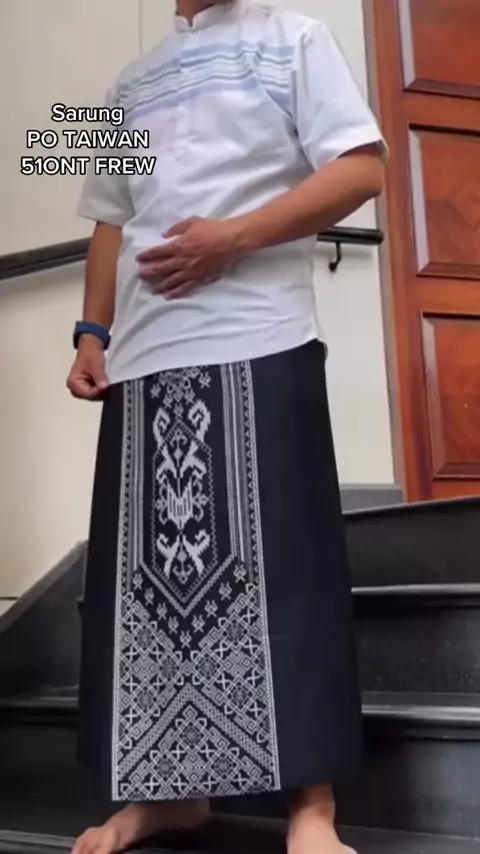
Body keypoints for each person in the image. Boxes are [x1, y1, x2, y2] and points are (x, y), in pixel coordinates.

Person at [67, 2, 386, 853]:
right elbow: (110, 219)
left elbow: (361, 169)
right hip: (144, 358)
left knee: (288, 575)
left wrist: (232, 239)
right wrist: (92, 333)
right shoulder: (126, 85)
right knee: (149, 591)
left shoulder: (295, 39)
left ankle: (312, 809)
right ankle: (172, 795)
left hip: (261, 338)